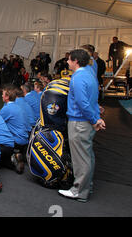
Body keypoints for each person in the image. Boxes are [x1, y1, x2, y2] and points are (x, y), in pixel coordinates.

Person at [58, 49, 105, 203]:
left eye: (69, 60)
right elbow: (93, 100)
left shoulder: (77, 78)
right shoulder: (90, 74)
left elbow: (82, 103)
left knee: (81, 159)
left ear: (76, 61)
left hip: (79, 122)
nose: (67, 62)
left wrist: (94, 120)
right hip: (87, 122)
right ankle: (86, 187)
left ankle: (79, 190)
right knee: (87, 156)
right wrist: (96, 118)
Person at [0, 85, 29, 174]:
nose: (2, 96)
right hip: (24, 140)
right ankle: (16, 155)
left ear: (7, 97)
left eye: (3, 94)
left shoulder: (7, 109)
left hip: (15, 141)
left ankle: (12, 161)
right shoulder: (18, 107)